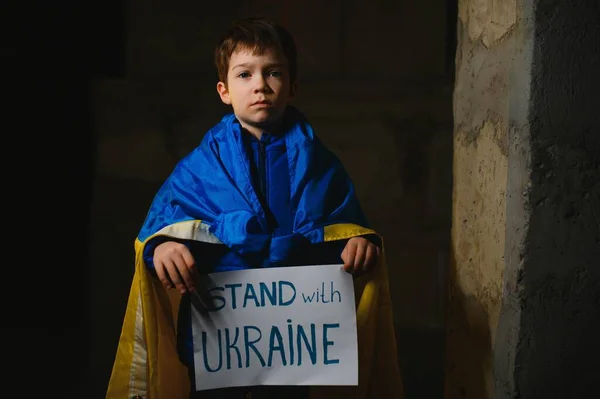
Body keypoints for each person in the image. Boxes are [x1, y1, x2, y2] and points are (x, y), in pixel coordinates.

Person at [106, 16, 404, 399]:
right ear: (224, 90)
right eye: (245, 75)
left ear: (292, 87)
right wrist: (162, 247)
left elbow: (346, 227)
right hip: (220, 341)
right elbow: (161, 226)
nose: (260, 85)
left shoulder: (322, 165)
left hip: (297, 344)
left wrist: (359, 242)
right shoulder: (201, 167)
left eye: (274, 73)